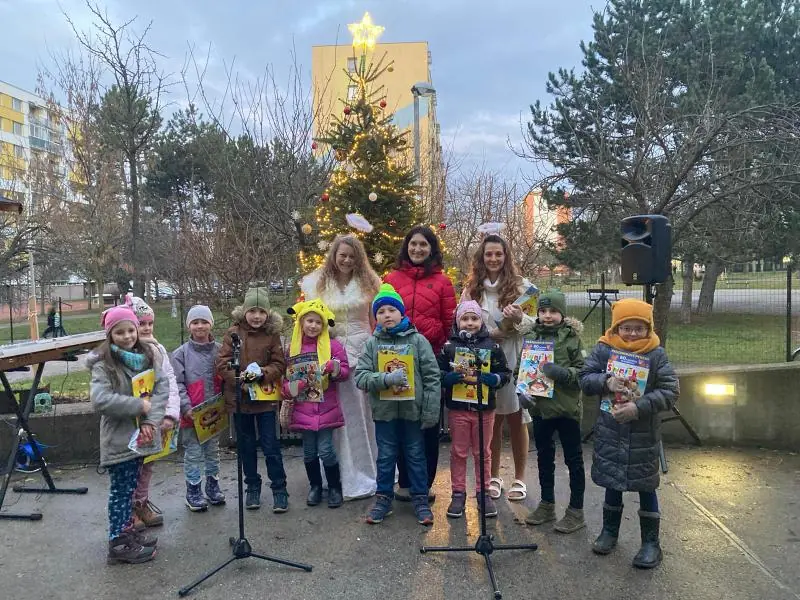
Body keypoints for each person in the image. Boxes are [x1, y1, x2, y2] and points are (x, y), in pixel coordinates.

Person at [579, 298, 679, 569]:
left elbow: (670, 391)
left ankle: (651, 543)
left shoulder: (656, 354)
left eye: (639, 328)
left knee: (646, 487)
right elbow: (585, 378)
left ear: (649, 329)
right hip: (610, 432)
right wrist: (606, 381)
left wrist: (638, 407)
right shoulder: (604, 349)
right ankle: (609, 532)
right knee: (612, 483)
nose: (632, 334)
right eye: (626, 328)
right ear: (616, 327)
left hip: (642, 436)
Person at [300, 235, 381, 500]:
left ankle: (365, 469)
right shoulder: (316, 284)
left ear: (359, 258)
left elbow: (375, 320)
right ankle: (336, 475)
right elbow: (309, 320)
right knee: (335, 414)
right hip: (330, 353)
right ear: (334, 255)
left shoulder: (371, 282)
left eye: (352, 256)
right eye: (342, 255)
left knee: (361, 413)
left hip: (363, 350)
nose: (346, 260)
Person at [354, 284, 441, 526]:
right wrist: (384, 379)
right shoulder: (372, 344)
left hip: (413, 413)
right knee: (385, 458)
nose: (387, 315)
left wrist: (430, 411)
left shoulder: (418, 341)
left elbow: (432, 377)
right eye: (381, 312)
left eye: (392, 310)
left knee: (416, 455)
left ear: (402, 313)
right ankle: (383, 499)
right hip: (385, 414)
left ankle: (420, 499)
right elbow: (361, 377)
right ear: (376, 317)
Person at [88, 304, 168, 565]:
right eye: (119, 332)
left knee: (131, 488)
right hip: (120, 439)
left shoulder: (147, 356)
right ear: (110, 335)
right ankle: (118, 542)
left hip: (142, 437)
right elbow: (100, 399)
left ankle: (128, 532)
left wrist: (151, 421)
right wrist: (137, 406)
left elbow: (161, 389)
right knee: (121, 493)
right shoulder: (104, 365)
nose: (127, 336)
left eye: (130, 330)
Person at [384, 225, 456, 501]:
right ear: (406, 246)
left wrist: (432, 335)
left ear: (431, 249)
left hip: (430, 358)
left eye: (423, 244)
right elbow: (381, 315)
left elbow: (449, 322)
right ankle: (404, 481)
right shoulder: (391, 279)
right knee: (401, 418)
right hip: (396, 357)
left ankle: (424, 483)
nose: (417, 249)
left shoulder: (443, 282)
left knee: (428, 420)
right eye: (413, 243)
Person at [462, 234, 536, 502]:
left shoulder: (522, 286)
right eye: (488, 254)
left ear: (506, 256)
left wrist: (519, 318)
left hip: (514, 357)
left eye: (498, 254)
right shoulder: (472, 289)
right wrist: (486, 333)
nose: (493, 259)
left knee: (517, 418)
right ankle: (492, 476)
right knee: (490, 419)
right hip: (484, 360)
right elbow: (461, 321)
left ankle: (519, 478)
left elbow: (534, 325)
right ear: (481, 258)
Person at [518, 290, 587, 533]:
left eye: (553, 311)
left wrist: (562, 373)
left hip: (567, 410)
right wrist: (522, 391)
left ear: (562, 314)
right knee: (544, 458)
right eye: (543, 311)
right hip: (541, 409)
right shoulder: (531, 337)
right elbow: (521, 368)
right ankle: (547, 504)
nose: (548, 316)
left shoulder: (572, 338)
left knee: (573, 460)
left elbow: (584, 372)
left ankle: (576, 511)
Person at [217, 287, 289, 513]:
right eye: (252, 311)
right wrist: (240, 379)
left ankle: (279, 488)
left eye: (261, 312)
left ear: (267, 314)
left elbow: (279, 364)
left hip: (265, 399)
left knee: (270, 446)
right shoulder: (233, 333)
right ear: (244, 311)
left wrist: (262, 374)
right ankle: (252, 487)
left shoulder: (272, 335)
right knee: (246, 447)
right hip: (241, 400)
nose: (256, 316)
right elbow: (223, 364)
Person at [438, 300, 510, 519]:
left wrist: (494, 379)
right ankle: (458, 493)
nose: (470, 323)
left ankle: (483, 493)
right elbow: (438, 373)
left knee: (483, 452)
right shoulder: (449, 347)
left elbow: (505, 373)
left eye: (474, 318)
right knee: (458, 452)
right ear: (457, 321)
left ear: (481, 321)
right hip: (458, 409)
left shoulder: (492, 346)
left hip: (484, 409)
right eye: (465, 319)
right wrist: (448, 378)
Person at [281, 299, 350, 509]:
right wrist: (297, 385)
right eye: (309, 321)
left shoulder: (333, 346)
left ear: (324, 325)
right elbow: (284, 384)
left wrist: (334, 367)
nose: (313, 326)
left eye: (318, 322)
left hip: (326, 408)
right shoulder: (292, 349)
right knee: (309, 452)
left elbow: (344, 372)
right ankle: (315, 487)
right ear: (301, 322)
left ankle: (335, 487)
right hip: (303, 409)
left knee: (326, 450)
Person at [127, 295, 181, 528]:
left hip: (155, 417)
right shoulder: (125, 352)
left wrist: (170, 413)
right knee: (131, 466)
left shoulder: (158, 349)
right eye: (141, 323)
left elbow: (169, 381)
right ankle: (129, 509)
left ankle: (142, 502)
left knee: (148, 464)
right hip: (132, 420)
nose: (147, 328)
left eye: (150, 323)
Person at [171, 305, 225, 512]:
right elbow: (177, 384)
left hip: (214, 412)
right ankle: (193, 489)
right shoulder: (181, 354)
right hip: (191, 414)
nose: (200, 326)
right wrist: (186, 407)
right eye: (195, 322)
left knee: (213, 451)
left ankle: (213, 485)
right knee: (193, 453)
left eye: (204, 322)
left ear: (211, 324)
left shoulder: (220, 351)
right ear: (189, 326)